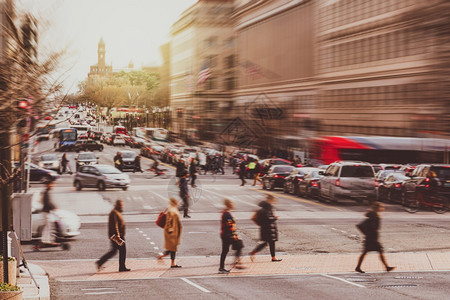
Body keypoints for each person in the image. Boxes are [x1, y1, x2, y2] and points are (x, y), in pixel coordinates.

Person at [355, 201, 395, 273]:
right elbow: (373, 227)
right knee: (378, 251)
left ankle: (386, 267)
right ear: (377, 208)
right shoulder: (374, 216)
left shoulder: (373, 215)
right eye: (381, 207)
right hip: (372, 238)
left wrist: (367, 233)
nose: (383, 208)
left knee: (367, 252)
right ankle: (386, 267)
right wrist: (370, 233)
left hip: (371, 237)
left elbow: (361, 226)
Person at [96, 200, 130, 272]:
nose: (122, 206)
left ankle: (100, 262)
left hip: (116, 235)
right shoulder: (114, 213)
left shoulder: (117, 212)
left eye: (122, 205)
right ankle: (122, 267)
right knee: (122, 251)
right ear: (117, 205)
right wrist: (118, 236)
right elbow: (115, 225)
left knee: (114, 251)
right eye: (120, 205)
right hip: (117, 236)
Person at [249, 194, 282, 262]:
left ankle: (273, 257)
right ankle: (254, 252)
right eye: (273, 201)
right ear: (269, 200)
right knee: (266, 243)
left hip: (268, 228)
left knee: (271, 243)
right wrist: (274, 218)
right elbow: (267, 218)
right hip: (267, 229)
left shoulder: (267, 208)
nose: (274, 202)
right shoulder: (266, 209)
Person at [219, 199, 245, 274]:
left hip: (227, 234)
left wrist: (235, 234)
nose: (233, 204)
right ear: (228, 204)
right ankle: (222, 268)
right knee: (225, 251)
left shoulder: (227, 212)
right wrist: (234, 235)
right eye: (231, 203)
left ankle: (236, 263)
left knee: (239, 245)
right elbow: (230, 225)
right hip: (227, 235)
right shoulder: (227, 214)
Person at [158, 198, 183, 268]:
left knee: (172, 247)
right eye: (176, 201)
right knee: (173, 247)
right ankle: (172, 263)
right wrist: (170, 230)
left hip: (175, 230)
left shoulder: (174, 208)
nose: (177, 202)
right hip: (172, 232)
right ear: (173, 202)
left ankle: (162, 256)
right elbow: (168, 221)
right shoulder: (171, 210)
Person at [41, 180, 58, 246]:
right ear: (48, 185)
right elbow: (47, 202)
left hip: (46, 211)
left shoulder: (46, 191)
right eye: (52, 184)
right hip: (46, 212)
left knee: (47, 226)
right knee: (48, 226)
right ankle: (46, 241)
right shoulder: (46, 192)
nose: (53, 185)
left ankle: (45, 240)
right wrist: (54, 207)